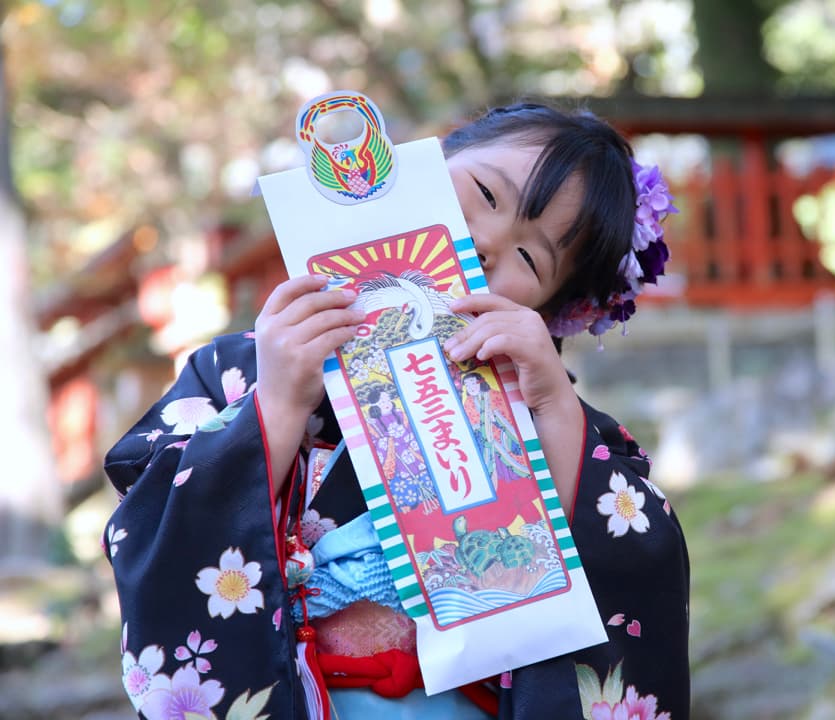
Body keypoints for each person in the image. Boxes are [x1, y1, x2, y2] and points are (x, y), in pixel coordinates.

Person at [103, 102, 690, 720]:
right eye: (486, 191)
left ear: (550, 309)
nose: (489, 242)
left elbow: (639, 559)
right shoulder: (242, 370)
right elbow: (146, 515)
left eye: (530, 258)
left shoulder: (553, 416)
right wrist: (274, 407)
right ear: (423, 162)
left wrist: (553, 411)